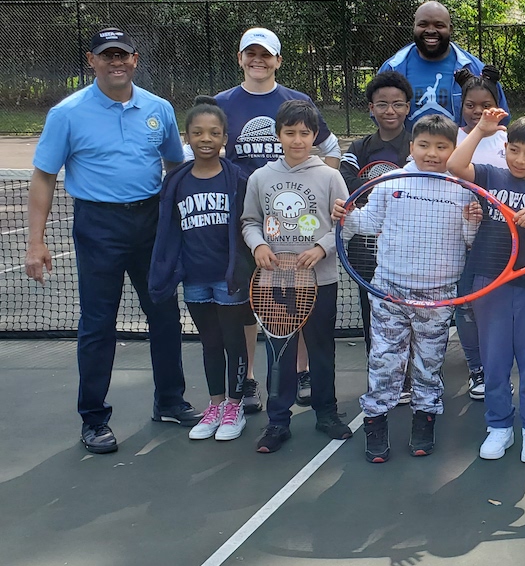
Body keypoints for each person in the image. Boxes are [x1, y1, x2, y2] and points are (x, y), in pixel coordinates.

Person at [25, 28, 198, 454]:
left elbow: (176, 167)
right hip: (97, 226)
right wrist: (35, 241)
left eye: (123, 55)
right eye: (107, 56)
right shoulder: (67, 113)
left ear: (135, 60)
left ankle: (170, 401)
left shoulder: (158, 108)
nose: (115, 62)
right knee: (97, 324)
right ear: (92, 60)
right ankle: (94, 419)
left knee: (164, 315)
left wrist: (182, 228)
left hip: (150, 223)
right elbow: (44, 176)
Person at [334, 115, 477, 462]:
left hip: (438, 294)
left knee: (429, 363)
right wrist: (345, 214)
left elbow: (468, 241)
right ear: (411, 147)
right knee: (384, 360)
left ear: (454, 151)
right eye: (424, 145)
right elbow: (367, 223)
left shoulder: (461, 188)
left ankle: (424, 419)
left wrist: (473, 222)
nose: (432, 153)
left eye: (442, 147)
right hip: (389, 291)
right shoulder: (390, 182)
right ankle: (376, 421)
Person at [215, 26, 342, 414]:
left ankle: (317, 396)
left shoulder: (298, 103)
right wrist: (257, 242)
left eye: (265, 54)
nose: (258, 60)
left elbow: (343, 215)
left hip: (314, 260)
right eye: (250, 54)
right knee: (261, 324)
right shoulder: (222, 103)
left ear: (277, 60)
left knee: (315, 334)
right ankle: (260, 393)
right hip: (258, 239)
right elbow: (200, 149)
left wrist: (318, 180)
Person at [449, 110, 525, 465]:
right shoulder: (490, 175)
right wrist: (481, 131)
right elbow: (456, 166)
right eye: (513, 150)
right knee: (495, 360)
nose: (519, 159)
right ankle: (499, 426)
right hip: (490, 279)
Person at [241, 100, 352, 453]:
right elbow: (249, 222)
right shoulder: (261, 177)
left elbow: (346, 225)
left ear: (315, 135)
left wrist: (321, 248)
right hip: (276, 282)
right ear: (278, 135)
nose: (298, 140)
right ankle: (277, 421)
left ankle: (327, 413)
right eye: (290, 133)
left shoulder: (330, 176)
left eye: (305, 133)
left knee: (321, 349)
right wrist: (258, 246)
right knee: (279, 354)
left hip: (321, 281)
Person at [149, 97, 254, 442]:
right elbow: (168, 230)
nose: (205, 138)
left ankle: (235, 406)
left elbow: (247, 226)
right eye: (197, 132)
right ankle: (215, 405)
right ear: (187, 137)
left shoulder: (237, 179)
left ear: (225, 137)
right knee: (209, 343)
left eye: (214, 132)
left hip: (229, 279)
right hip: (194, 280)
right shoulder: (176, 181)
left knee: (233, 340)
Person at [339, 70, 415, 359]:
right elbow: (348, 181)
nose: (390, 110)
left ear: (408, 107)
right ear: (371, 108)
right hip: (365, 245)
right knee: (372, 307)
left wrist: (383, 202)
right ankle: (378, 369)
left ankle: (410, 373)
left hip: (407, 246)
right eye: (381, 104)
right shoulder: (360, 147)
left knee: (409, 310)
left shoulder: (416, 146)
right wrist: (387, 199)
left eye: (397, 103)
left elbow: (415, 185)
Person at [453, 67, 509, 400]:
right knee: (465, 305)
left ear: (496, 104)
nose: (477, 112)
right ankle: (477, 368)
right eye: (471, 105)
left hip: (498, 238)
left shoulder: (508, 140)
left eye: (484, 104)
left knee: (496, 304)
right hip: (456, 238)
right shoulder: (452, 137)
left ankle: (496, 364)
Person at [379, 0, 509, 126]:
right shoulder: (392, 68)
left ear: (450, 29)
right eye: (423, 24)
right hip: (407, 148)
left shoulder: (475, 70)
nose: (430, 30)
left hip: (462, 148)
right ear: (414, 27)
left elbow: (500, 117)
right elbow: (378, 113)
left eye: (439, 25)